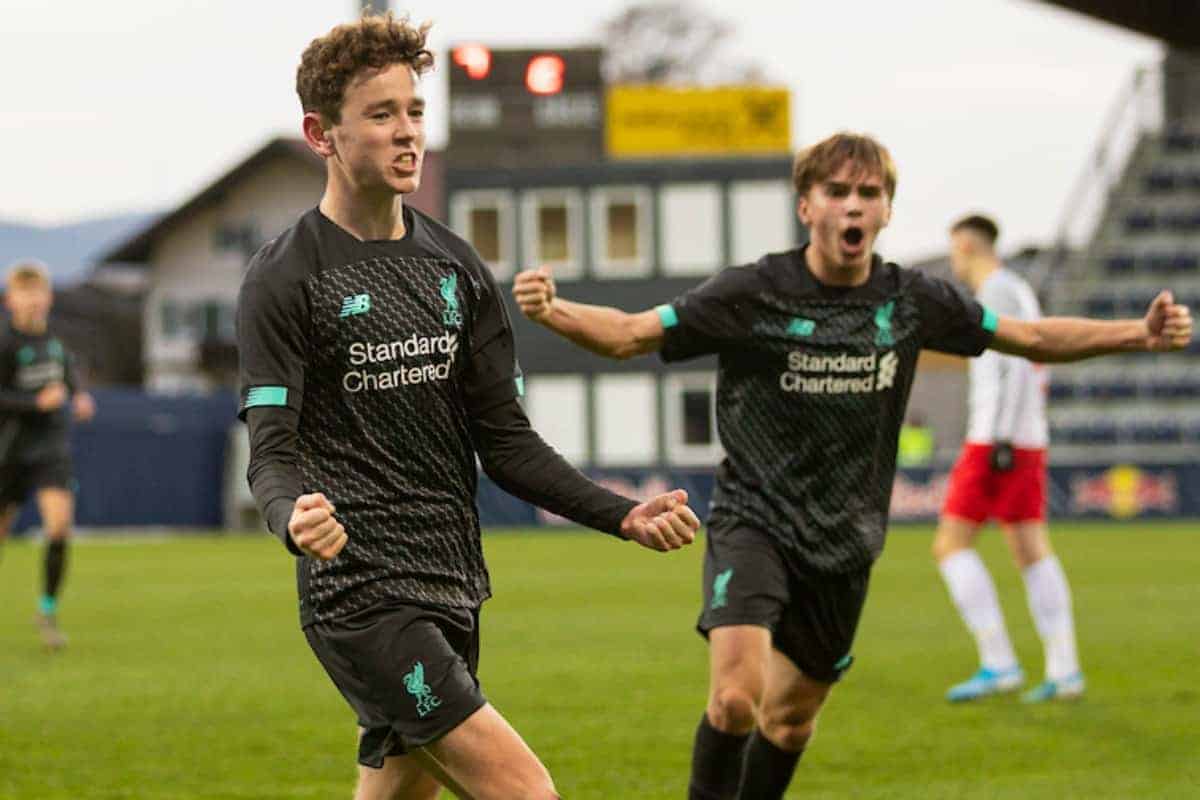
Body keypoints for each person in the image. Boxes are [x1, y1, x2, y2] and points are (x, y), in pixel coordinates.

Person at [511, 132, 1194, 799]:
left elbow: (1033, 337)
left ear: (888, 211)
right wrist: (555, 310)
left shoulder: (912, 301)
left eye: (869, 193)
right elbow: (631, 335)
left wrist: (1137, 332)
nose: (854, 205)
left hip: (847, 540)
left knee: (791, 719)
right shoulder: (754, 291)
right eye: (836, 191)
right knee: (735, 699)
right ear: (806, 206)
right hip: (756, 521)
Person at [236, 14, 700, 800]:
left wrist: (621, 514)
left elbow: (509, 444)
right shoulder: (284, 278)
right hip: (361, 596)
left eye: (414, 111)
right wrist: (291, 518)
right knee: (528, 793)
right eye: (381, 115)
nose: (407, 132)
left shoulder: (454, 265)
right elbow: (271, 452)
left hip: (453, 582)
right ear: (322, 133)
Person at [934, 214, 1082, 703]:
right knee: (1029, 549)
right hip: (1023, 437)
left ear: (969, 247)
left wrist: (997, 438)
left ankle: (1000, 662)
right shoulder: (1017, 289)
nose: (955, 261)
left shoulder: (997, 291)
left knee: (951, 545)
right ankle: (1063, 670)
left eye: (956, 251)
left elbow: (1012, 368)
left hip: (999, 440)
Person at [0, 260, 96, 650]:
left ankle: (47, 610)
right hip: (9, 450)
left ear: (48, 297)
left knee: (58, 527)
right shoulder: (5, 343)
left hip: (50, 448)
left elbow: (67, 375)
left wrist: (79, 396)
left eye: (39, 293)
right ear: (10, 300)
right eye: (25, 294)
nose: (33, 301)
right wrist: (33, 402)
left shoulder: (56, 341)